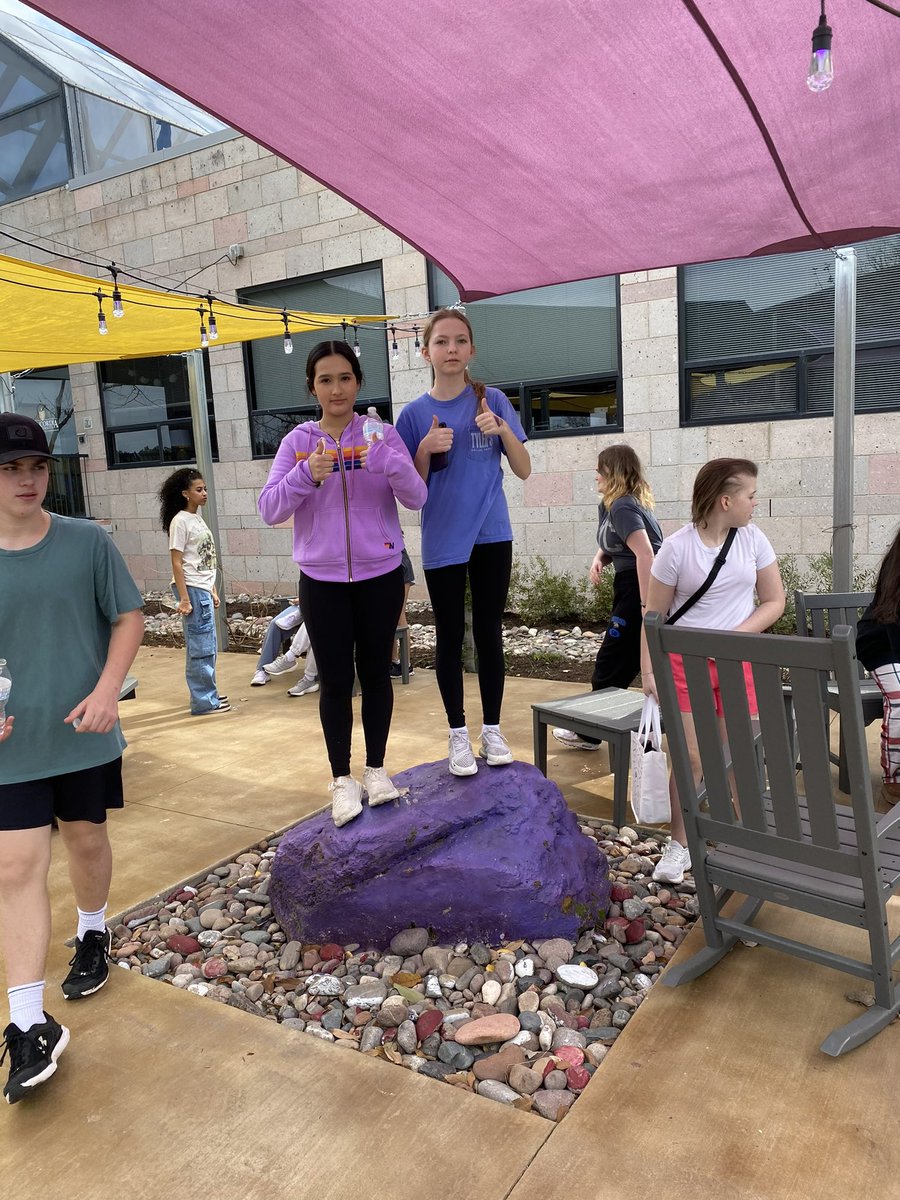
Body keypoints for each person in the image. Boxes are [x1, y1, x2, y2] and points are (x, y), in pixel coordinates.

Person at [0, 413, 144, 1104]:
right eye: (8, 468)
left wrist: (108, 689)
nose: (25, 479)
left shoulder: (87, 542)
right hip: (10, 746)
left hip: (83, 733)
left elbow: (128, 615)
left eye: (34, 466)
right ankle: (28, 1023)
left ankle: (94, 933)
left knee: (87, 841)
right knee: (16, 866)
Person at [258, 341, 427, 827]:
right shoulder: (297, 443)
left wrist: (391, 462)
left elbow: (417, 498)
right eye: (326, 379)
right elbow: (270, 509)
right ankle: (341, 780)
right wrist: (304, 475)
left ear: (358, 383)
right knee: (334, 682)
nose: (336, 388)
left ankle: (375, 770)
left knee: (376, 676)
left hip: (380, 576)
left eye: (345, 378)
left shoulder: (382, 434)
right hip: (322, 581)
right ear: (312, 386)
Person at [396, 308, 531, 775]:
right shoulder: (413, 415)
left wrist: (503, 431)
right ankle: (457, 734)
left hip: (493, 534)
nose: (451, 349)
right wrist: (422, 451)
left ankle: (492, 730)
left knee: (490, 633)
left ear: (472, 349)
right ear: (426, 351)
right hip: (443, 539)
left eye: (459, 341)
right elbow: (409, 495)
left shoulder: (492, 400)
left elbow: (524, 469)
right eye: (441, 342)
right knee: (450, 637)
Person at [641, 457, 785, 884]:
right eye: (751, 496)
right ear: (726, 500)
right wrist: (649, 673)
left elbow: (773, 601)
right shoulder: (676, 548)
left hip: (736, 663)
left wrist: (732, 636)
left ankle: (748, 847)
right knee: (690, 759)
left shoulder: (754, 539)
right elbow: (654, 616)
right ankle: (679, 845)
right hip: (685, 666)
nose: (756, 503)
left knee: (739, 758)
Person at [553, 444, 662, 749]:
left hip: (637, 587)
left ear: (612, 472)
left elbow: (646, 553)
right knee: (625, 659)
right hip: (628, 585)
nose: (596, 474)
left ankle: (590, 732)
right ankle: (603, 727)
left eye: (600, 469)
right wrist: (600, 557)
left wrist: (645, 605)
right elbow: (620, 542)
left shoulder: (624, 506)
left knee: (611, 660)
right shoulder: (613, 505)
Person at [159, 469, 229, 716]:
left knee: (207, 645)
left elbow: (201, 559)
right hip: (192, 591)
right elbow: (177, 562)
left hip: (202, 589)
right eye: (199, 490)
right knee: (200, 648)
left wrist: (212, 589)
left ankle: (208, 694)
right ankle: (203, 701)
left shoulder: (197, 518)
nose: (204, 493)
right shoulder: (180, 521)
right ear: (185, 494)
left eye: (205, 489)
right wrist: (185, 598)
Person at [855, 527, 900, 809]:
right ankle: (894, 784)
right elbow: (890, 614)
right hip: (884, 640)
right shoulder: (897, 560)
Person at [250, 603, 319, 696]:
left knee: (314, 621)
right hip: (306, 603)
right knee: (276, 623)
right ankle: (262, 670)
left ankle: (290, 657)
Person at [392, 549, 416, 678]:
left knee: (399, 615)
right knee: (394, 616)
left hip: (398, 565)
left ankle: (405, 664)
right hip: (399, 563)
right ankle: (396, 662)